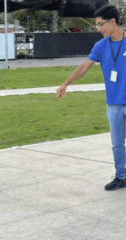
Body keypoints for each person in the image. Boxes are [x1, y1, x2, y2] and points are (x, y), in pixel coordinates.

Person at [56, 5, 126, 191]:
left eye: (101, 24)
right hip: (114, 104)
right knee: (117, 144)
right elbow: (84, 67)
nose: (98, 29)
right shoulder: (101, 46)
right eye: (96, 25)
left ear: (113, 21)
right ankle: (121, 176)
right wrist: (65, 83)